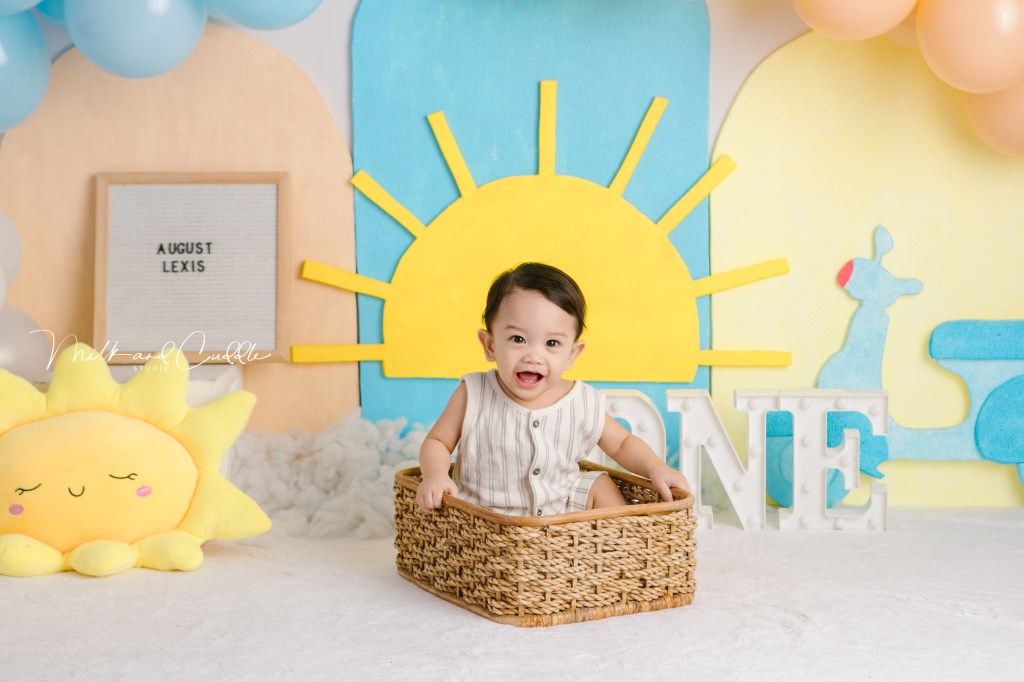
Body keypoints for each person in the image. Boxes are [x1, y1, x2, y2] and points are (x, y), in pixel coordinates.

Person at [416, 262, 689, 515]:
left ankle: (617, 542)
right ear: (490, 345)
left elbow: (622, 443)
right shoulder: (474, 392)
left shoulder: (580, 400)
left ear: (572, 354)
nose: (534, 356)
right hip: (486, 514)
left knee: (601, 485)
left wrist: (655, 467)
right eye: (518, 339)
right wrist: (435, 475)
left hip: (562, 512)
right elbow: (437, 441)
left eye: (552, 344)